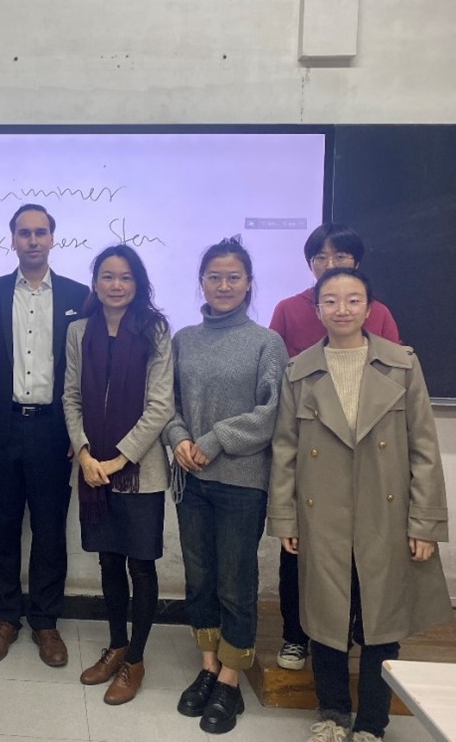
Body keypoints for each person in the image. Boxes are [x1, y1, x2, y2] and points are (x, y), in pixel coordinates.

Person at [268, 267, 451, 742]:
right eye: (330, 301)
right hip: (321, 516)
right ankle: (331, 716)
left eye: (353, 300)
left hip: (384, 514)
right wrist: (286, 517)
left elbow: (424, 448)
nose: (342, 309)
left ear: (369, 309)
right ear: (317, 310)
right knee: (326, 618)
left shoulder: (402, 364)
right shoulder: (299, 370)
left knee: (381, 621)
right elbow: (285, 450)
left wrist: (424, 523)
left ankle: (372, 723)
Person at [164, 237, 288, 735]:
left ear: (249, 283)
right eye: (214, 277)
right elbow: (167, 401)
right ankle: (209, 666)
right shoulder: (184, 339)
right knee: (199, 577)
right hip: (191, 479)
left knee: (235, 582)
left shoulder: (266, 342)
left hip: (241, 481)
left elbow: (271, 413)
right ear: (201, 282)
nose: (223, 285)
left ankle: (232, 680)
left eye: (233, 277)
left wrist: (212, 440)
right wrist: (178, 438)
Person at [269, 222, 401, 671]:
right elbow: (276, 377)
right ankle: (295, 636)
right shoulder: (289, 309)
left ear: (355, 262)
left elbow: (392, 382)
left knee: (362, 554)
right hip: (311, 446)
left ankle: (357, 632)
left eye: (340, 257)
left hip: (363, 452)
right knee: (298, 551)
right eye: (320, 258)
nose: (329, 265)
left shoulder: (377, 313)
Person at [0, 204, 89, 668]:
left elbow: (86, 367)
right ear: (13, 240)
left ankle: (45, 621)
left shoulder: (79, 294)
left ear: (53, 238)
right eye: (25, 233)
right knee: (1, 527)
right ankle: (4, 618)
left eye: (41, 232)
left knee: (49, 529)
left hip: (53, 430)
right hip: (0, 428)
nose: (33, 240)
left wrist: (79, 431)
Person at [62, 245, 173, 705]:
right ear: (95, 283)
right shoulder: (78, 330)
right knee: (108, 561)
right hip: (93, 469)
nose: (116, 285)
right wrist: (85, 453)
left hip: (140, 473)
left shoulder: (155, 329)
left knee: (140, 566)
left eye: (125, 277)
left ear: (137, 283)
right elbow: (71, 397)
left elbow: (160, 405)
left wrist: (118, 459)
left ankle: (136, 660)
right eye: (107, 276)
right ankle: (117, 645)